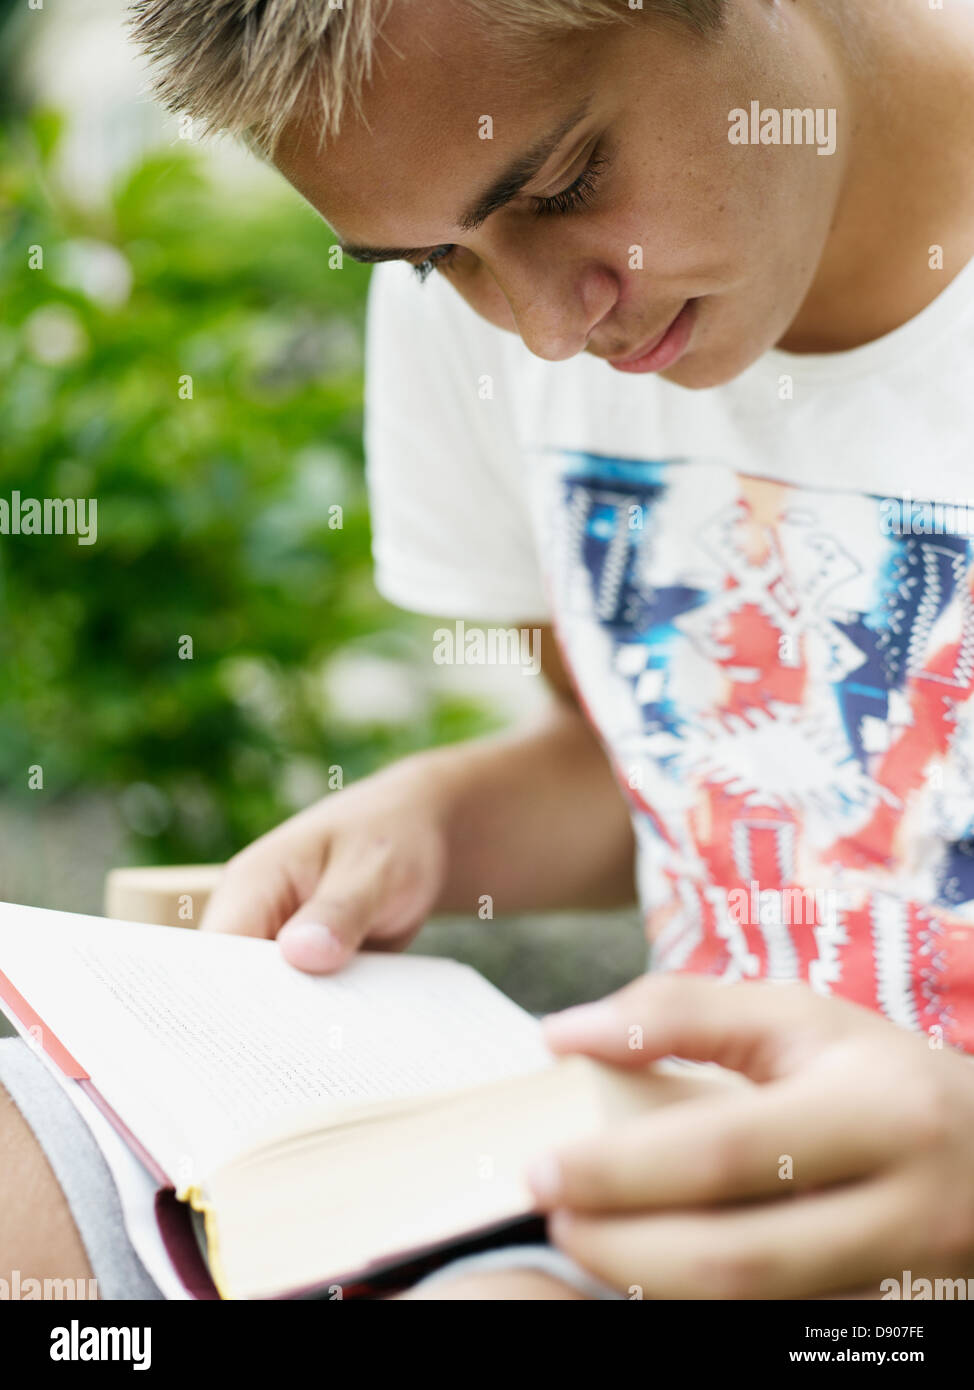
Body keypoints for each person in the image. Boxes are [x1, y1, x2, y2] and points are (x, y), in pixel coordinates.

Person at [5, 0, 974, 1300]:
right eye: (429, 258)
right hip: (653, 1180)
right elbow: (649, 759)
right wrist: (434, 821)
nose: (542, 326)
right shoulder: (491, 323)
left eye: (569, 180)